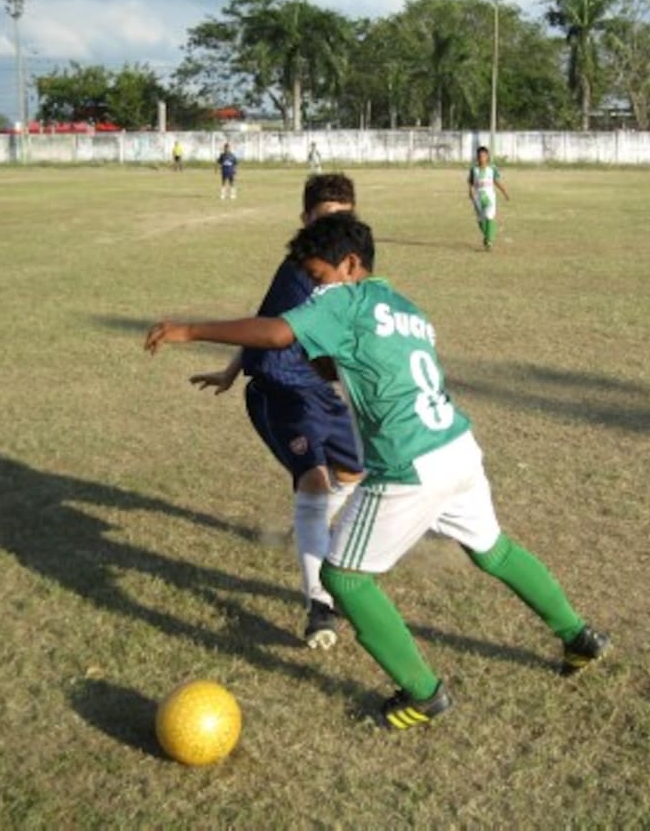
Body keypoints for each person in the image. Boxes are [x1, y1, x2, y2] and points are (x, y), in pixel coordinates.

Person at [145, 213, 610, 731]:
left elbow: (277, 334)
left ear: (350, 264)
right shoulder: (405, 306)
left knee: (343, 577)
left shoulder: (342, 300)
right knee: (494, 550)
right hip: (457, 446)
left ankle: (423, 693)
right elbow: (343, 358)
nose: (314, 290)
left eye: (318, 278)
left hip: (410, 466)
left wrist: (187, 328)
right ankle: (578, 636)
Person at [188, 175, 363, 649]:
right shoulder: (297, 270)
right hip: (279, 391)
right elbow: (267, 327)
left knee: (353, 477)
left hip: (321, 394)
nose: (333, 230)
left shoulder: (350, 273)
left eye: (343, 220)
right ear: (304, 220)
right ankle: (319, 604)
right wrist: (232, 370)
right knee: (313, 482)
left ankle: (315, 539)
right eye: (325, 220)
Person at [467, 145, 510, 250]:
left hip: (489, 195)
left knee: (489, 216)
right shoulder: (474, 169)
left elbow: (496, 181)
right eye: (480, 156)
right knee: (480, 219)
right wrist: (470, 192)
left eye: (484, 156)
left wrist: (504, 191)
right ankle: (487, 237)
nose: (482, 158)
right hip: (478, 196)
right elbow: (470, 182)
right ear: (477, 157)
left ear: (487, 157)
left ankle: (489, 241)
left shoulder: (492, 168)